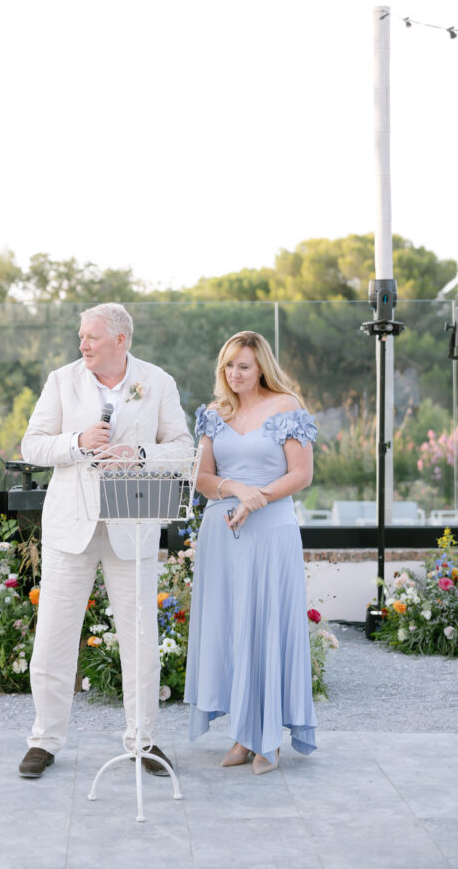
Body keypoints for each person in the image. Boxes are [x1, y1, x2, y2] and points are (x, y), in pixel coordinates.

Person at [18, 302, 193, 779]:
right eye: (81, 336)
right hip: (69, 528)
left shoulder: (158, 381)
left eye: (92, 336)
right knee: (53, 636)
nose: (82, 344)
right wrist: (77, 442)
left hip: (131, 525)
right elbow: (31, 445)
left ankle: (144, 741)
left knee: (141, 639)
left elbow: (183, 450)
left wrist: (136, 453)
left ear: (121, 340)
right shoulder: (62, 380)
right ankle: (45, 740)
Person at [184, 330, 318, 775]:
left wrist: (254, 498)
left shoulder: (286, 407)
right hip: (222, 534)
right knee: (232, 628)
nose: (234, 374)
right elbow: (202, 477)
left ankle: (268, 739)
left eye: (243, 365)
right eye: (228, 366)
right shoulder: (213, 414)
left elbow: (301, 474)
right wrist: (235, 490)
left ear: (261, 366)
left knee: (266, 625)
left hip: (270, 531)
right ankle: (242, 734)